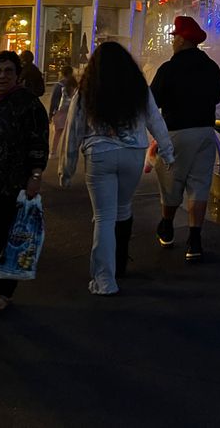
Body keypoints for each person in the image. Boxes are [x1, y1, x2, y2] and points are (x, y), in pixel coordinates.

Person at [59, 42, 174, 295]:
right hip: (133, 153)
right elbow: (155, 119)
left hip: (100, 155)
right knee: (122, 210)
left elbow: (73, 130)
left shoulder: (87, 90)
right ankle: (120, 262)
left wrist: (65, 169)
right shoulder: (138, 88)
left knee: (103, 217)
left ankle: (104, 280)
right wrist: (167, 152)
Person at [151, 15, 220, 262]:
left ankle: (167, 224)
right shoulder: (212, 67)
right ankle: (194, 240)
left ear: (181, 40)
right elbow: (217, 97)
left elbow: (153, 102)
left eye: (175, 37)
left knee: (172, 182)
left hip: (177, 132)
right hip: (205, 131)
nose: (173, 42)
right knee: (200, 184)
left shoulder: (168, 69)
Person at [0, 50, 49, 314]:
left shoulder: (27, 104)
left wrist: (35, 175)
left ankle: (4, 292)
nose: (1, 75)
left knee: (8, 238)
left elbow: (38, 141)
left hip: (11, 183)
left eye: (8, 71)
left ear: (17, 75)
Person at [48, 65, 78, 155]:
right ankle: (67, 151)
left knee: (57, 133)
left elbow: (54, 100)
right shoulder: (74, 84)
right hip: (71, 110)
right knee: (69, 133)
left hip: (60, 111)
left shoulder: (59, 85)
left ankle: (53, 151)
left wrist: (50, 113)